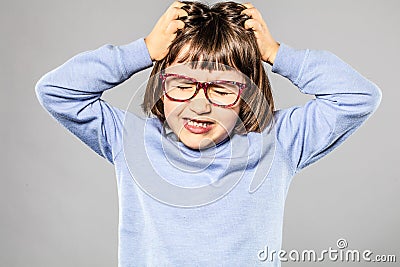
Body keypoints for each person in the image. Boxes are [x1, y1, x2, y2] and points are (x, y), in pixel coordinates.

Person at [35, 1, 382, 266]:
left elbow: (357, 97)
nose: (200, 106)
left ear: (248, 91)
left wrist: (276, 53)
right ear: (160, 84)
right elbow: (56, 91)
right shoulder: (130, 140)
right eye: (183, 84)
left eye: (222, 88)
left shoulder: (279, 143)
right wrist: (142, 50)